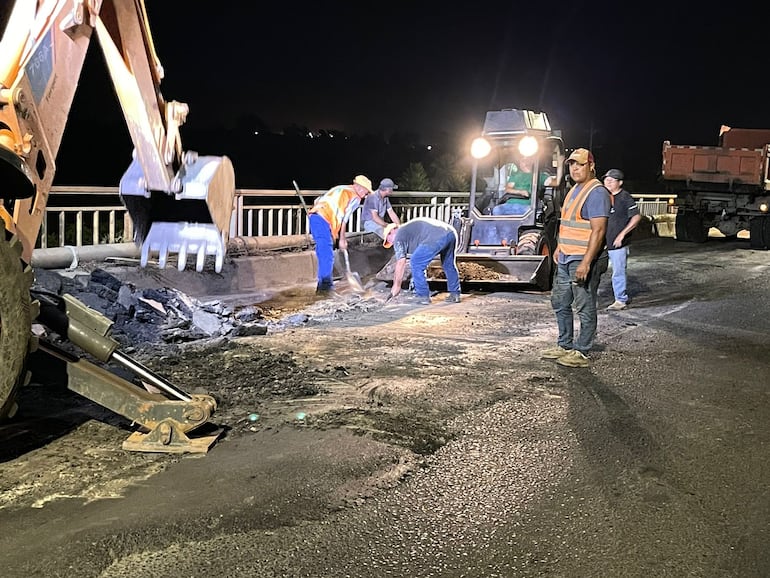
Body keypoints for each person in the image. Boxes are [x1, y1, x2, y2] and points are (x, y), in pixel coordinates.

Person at [541, 148, 610, 368]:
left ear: (591, 166)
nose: (575, 168)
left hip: (583, 259)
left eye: (580, 165)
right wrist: (560, 246)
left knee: (584, 304)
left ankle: (582, 351)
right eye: (572, 165)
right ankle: (564, 345)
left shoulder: (596, 192)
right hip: (566, 257)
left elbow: (598, 231)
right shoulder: (574, 189)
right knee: (560, 301)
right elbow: (568, 223)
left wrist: (586, 262)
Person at [307, 174, 372, 293]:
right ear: (359, 187)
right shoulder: (354, 197)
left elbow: (318, 200)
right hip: (323, 219)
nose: (366, 196)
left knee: (324, 251)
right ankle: (325, 288)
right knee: (326, 253)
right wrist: (342, 239)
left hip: (317, 217)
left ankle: (323, 286)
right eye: (366, 192)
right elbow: (344, 218)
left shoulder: (340, 188)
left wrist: (334, 232)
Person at [382, 217, 461, 305]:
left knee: (416, 263)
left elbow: (401, 262)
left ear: (392, 231)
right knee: (448, 264)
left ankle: (423, 296)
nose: (391, 242)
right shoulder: (409, 231)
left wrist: (396, 286)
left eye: (388, 239)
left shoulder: (399, 236)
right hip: (451, 233)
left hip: (435, 236)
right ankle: (455, 294)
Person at [603, 169, 642, 311]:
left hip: (618, 243)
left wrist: (622, 234)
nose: (607, 182)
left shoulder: (625, 197)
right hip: (602, 241)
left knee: (618, 271)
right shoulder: (603, 196)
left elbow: (636, 217)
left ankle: (620, 299)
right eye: (606, 179)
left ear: (620, 183)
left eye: (611, 180)